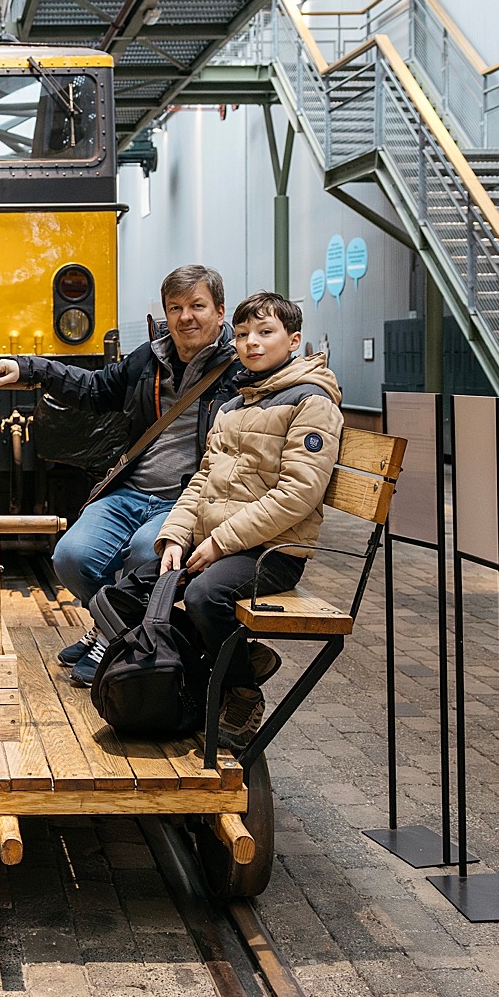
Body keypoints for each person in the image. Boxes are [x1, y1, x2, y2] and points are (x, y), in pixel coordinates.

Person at [94, 291, 343, 747]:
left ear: (294, 341)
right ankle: (223, 662)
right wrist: (174, 537)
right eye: (245, 334)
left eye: (265, 333)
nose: (251, 343)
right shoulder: (235, 405)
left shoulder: (312, 402)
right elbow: (201, 481)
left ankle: (242, 689)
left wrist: (219, 543)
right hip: (217, 542)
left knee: (207, 594)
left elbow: (298, 494)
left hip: (272, 550)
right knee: (127, 594)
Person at [0, 264, 248, 684]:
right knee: (71, 557)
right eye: (176, 307)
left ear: (220, 312)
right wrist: (31, 368)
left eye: (198, 306)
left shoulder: (240, 374)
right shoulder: (150, 359)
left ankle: (111, 641)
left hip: (187, 500)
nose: (187, 317)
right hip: (129, 492)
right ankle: (116, 628)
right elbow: (93, 388)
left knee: (147, 553)